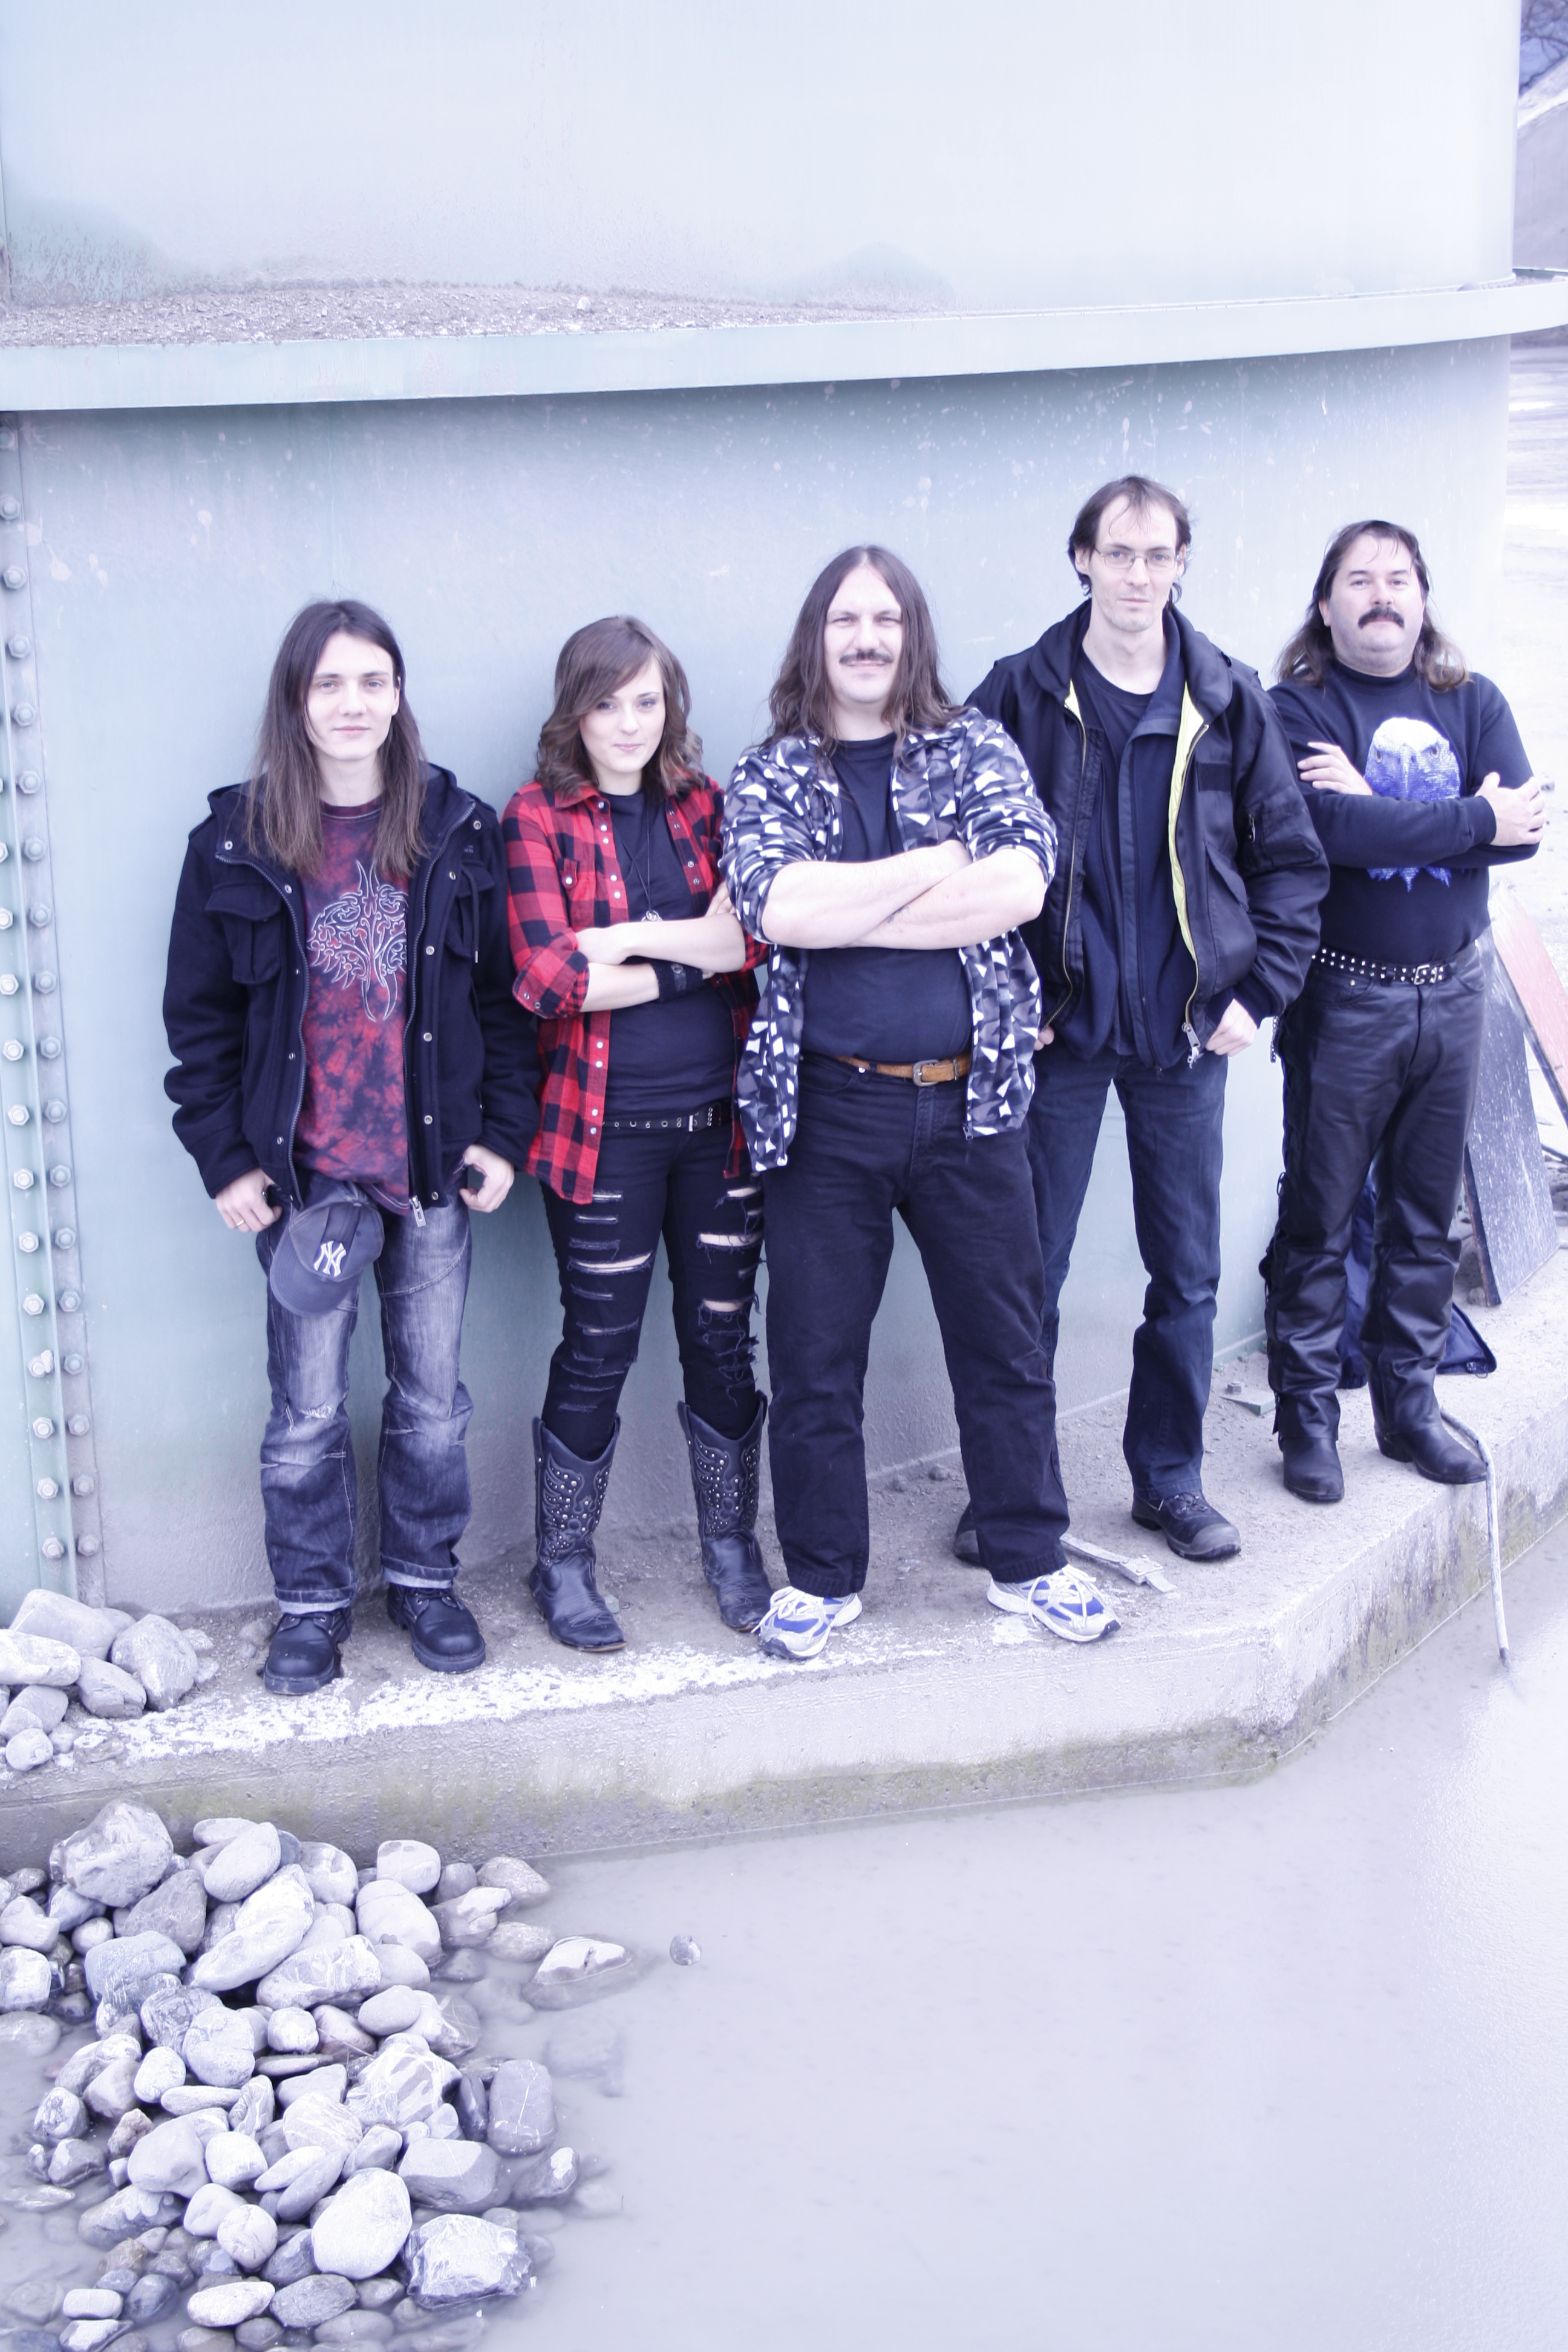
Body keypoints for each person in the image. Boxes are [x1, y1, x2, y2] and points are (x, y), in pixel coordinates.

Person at [722, 543, 1120, 1661]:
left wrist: (853, 912)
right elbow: (777, 907)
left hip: (973, 1106)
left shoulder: (972, 745)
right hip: (826, 1112)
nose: (867, 639)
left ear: (912, 636)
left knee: (1005, 1348)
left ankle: (1030, 1563)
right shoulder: (771, 772)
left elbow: (1022, 881)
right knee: (815, 1359)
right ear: (817, 637)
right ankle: (821, 1581)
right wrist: (938, 864)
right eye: (846, 620)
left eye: (886, 620)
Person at [164, 599, 540, 1695]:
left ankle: (425, 1583)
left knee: (432, 1400)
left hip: (428, 1176)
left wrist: (501, 1137)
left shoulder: (454, 830)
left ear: (398, 694)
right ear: (296, 700)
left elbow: (502, 1002)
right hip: (301, 1185)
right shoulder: (232, 843)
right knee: (307, 1412)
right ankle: (312, 1606)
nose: (352, 703)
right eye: (329, 683)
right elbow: (200, 1024)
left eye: (373, 681)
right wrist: (225, 1159)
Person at [963, 477, 1327, 1563]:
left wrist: (1257, 995)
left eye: (1157, 555)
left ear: (1180, 564)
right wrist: (1006, 998)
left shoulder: (1228, 696)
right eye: (1117, 553)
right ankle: (1012, 1494)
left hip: (1186, 1036)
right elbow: (959, 855)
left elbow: (1289, 862)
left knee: (1188, 1275)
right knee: (1027, 1273)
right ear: (1082, 558)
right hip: (1059, 1037)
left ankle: (1169, 1480)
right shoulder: (1018, 694)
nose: (1137, 574)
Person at [1261, 521, 1546, 1500]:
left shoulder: (1475, 700)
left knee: (1427, 1222)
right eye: (1358, 580)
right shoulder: (1296, 708)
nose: (1380, 595)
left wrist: (1381, 807)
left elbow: (1524, 836)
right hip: (1345, 999)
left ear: (1423, 598)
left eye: (1398, 579)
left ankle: (1409, 1410)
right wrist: (1471, 817)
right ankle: (1307, 1419)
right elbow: (1325, 830)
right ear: (1326, 603)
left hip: (1457, 994)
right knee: (1320, 1218)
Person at [503, 616, 769, 1650]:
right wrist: (682, 964)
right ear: (575, 711)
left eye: (647, 701)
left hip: (719, 1130)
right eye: (607, 703)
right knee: (598, 1347)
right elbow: (548, 978)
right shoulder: (535, 818)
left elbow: (749, 938)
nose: (628, 723)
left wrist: (618, 940)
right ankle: (564, 1563)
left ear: (672, 706)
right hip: (601, 1136)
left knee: (722, 1340)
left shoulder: (710, 805)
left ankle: (732, 1547)